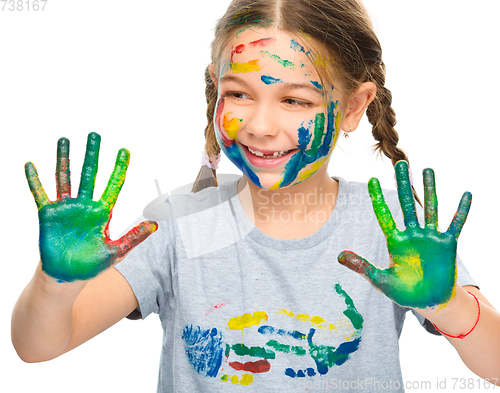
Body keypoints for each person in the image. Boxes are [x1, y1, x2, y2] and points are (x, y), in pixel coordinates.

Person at [11, 0, 500, 392]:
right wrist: (56, 282)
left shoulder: (390, 226)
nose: (261, 126)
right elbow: (37, 348)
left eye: (295, 100)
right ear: (215, 89)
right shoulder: (179, 224)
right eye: (240, 93)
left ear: (353, 106)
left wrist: (447, 304)